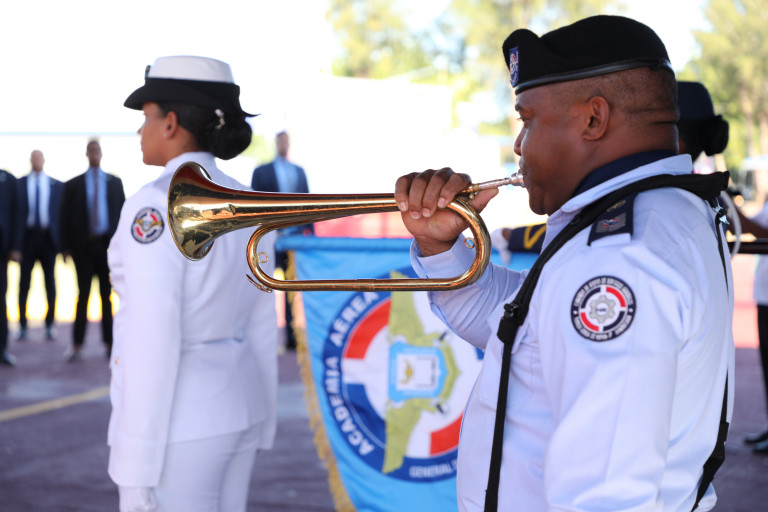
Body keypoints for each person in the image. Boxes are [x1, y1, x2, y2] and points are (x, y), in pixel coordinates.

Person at [394, 15, 734, 512]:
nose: (518, 145)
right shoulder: (655, 212)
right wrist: (440, 247)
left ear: (594, 120)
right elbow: (519, 328)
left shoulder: (618, 256)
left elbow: (605, 497)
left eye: (527, 120)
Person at [107, 56, 278, 512]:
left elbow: (152, 335)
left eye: (146, 117)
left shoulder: (153, 204)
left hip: (180, 423)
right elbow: (262, 320)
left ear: (171, 123)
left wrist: (135, 461)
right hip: (241, 401)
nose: (140, 130)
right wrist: (264, 419)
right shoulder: (251, 201)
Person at [59, 140, 125, 361]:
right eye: (92, 151)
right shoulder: (74, 185)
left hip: (107, 248)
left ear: (102, 154)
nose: (95, 154)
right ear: (86, 154)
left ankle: (110, 344)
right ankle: (77, 345)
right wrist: (65, 248)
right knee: (83, 295)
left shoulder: (114, 183)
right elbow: (64, 217)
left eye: (98, 150)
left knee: (107, 296)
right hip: (83, 248)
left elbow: (122, 215)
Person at [251, 130, 311, 350]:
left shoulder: (299, 172)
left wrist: (310, 234)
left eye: (287, 141)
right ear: (276, 143)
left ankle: (291, 337)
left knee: (291, 287)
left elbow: (308, 203)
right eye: (281, 141)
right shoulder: (262, 171)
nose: (284, 145)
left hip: (294, 239)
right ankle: (263, 333)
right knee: (264, 285)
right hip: (269, 237)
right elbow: (254, 204)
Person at [14, 150, 62, 341]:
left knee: (50, 283)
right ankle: (22, 326)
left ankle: (49, 325)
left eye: (39, 158)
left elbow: (60, 215)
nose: (36, 161)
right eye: (33, 158)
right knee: (24, 284)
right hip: (27, 239)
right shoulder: (20, 184)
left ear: (43, 160)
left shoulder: (55, 185)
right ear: (30, 160)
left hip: (48, 239)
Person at [1, 168, 19, 366]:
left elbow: (17, 213)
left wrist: (15, 247)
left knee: (1, 300)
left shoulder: (7, 179)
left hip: (1, 252)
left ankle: (1, 349)